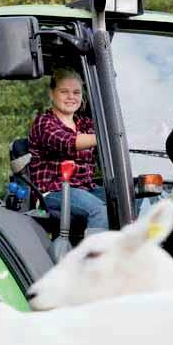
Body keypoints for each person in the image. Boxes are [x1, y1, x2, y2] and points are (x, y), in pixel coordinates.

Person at [28, 67, 109, 233]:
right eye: (64, 91)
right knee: (100, 211)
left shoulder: (85, 124)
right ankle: (94, 258)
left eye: (76, 92)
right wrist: (111, 137)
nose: (71, 97)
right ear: (52, 93)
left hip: (86, 189)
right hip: (53, 191)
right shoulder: (44, 123)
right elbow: (69, 142)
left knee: (132, 198)